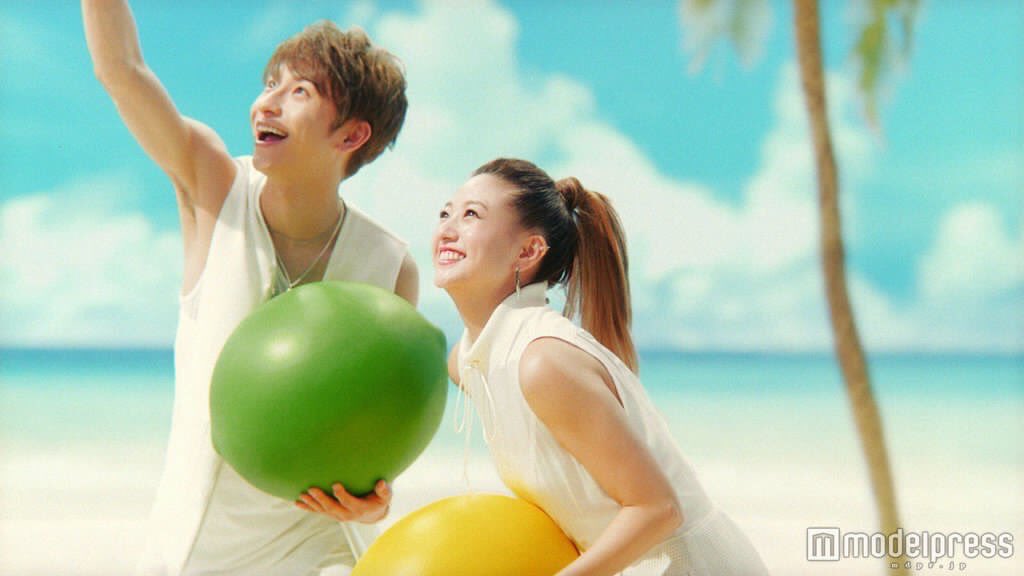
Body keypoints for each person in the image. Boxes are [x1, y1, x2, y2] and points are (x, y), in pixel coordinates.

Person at [83, 2, 418, 574]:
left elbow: (378, 423)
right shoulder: (214, 186)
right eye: (269, 84)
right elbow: (121, 69)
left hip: (323, 550)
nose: (267, 102)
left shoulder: (390, 266)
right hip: (195, 550)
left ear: (352, 134)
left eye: (299, 91)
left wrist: (376, 501)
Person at [432, 158, 770, 575]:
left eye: (471, 215)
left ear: (528, 251)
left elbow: (658, 509)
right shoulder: (468, 361)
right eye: (445, 213)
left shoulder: (543, 361)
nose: (447, 229)